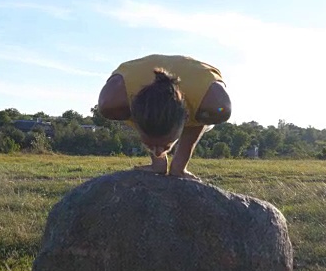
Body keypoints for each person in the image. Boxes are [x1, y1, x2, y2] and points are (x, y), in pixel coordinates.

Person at [98, 54, 232, 179]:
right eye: (150, 145)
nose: (158, 152)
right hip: (135, 75)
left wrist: (179, 164)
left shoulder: (215, 103)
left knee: (205, 114)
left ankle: (177, 166)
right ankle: (158, 164)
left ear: (185, 118)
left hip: (198, 80)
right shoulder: (111, 102)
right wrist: (158, 158)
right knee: (147, 123)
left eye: (165, 146)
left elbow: (199, 120)